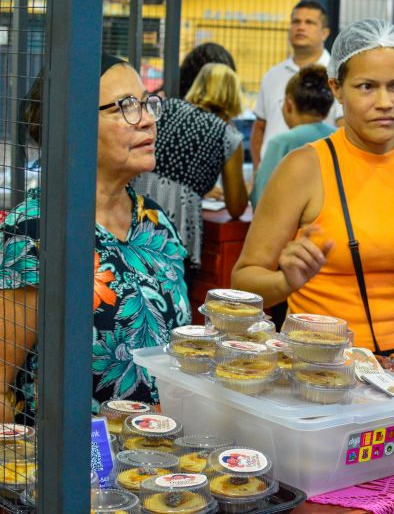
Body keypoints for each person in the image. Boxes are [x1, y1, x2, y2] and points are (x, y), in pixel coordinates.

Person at [232, 19, 394, 354]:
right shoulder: (304, 168)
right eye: (366, 87)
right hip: (315, 364)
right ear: (336, 89)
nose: (384, 102)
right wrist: (284, 282)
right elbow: (243, 281)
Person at [1, 54, 191, 423]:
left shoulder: (154, 221)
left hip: (163, 457)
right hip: (74, 469)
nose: (149, 119)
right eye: (126, 107)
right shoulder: (34, 233)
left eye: (148, 103)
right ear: (74, 125)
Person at [133, 62, 248, 280]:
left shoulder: (165, 107)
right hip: (179, 223)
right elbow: (236, 207)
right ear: (233, 96)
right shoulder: (228, 135)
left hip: (137, 202)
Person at [250, 0, 342, 178]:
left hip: (319, 177)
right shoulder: (272, 75)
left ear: (325, 33)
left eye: (309, 22)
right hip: (272, 174)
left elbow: (344, 130)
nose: (301, 27)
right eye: (296, 22)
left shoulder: (337, 76)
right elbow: (259, 127)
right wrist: (258, 170)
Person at [250, 65, 336, 209]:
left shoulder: (281, 143)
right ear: (327, 110)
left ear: (288, 104)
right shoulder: (337, 138)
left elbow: (261, 198)